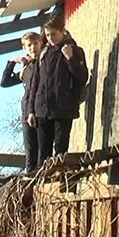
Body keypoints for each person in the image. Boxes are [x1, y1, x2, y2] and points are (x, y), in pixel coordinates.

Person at [31, 15, 89, 164]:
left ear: (62, 31)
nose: (50, 38)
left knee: (60, 151)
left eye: (53, 34)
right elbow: (35, 83)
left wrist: (70, 58)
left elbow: (82, 78)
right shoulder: (43, 54)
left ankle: (58, 180)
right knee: (43, 154)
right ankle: (42, 182)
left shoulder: (75, 51)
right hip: (42, 108)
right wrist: (31, 110)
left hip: (64, 108)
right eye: (48, 35)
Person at [1, 31, 45, 173]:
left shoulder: (44, 62)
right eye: (29, 45)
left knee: (42, 152)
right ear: (25, 48)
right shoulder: (26, 69)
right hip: (26, 113)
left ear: (41, 44)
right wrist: (13, 62)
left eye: (35, 44)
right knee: (30, 154)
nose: (33, 48)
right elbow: (5, 82)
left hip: (41, 111)